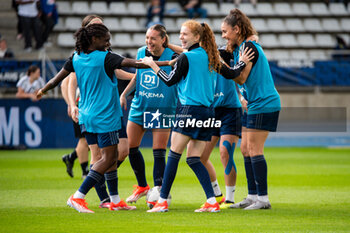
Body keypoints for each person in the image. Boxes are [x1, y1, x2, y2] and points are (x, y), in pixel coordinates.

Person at [37, 23, 170, 213]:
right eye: (105, 39)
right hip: (105, 116)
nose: (108, 43)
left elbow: (56, 80)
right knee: (108, 158)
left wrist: (42, 90)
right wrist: (162, 63)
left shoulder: (75, 57)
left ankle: (114, 200)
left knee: (107, 156)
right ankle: (78, 196)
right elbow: (134, 64)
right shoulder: (106, 58)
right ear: (93, 40)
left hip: (86, 116)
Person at [139, 20, 251, 213]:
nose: (181, 37)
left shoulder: (187, 58)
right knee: (193, 159)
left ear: (197, 37)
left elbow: (169, 81)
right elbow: (233, 73)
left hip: (189, 110)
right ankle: (211, 201)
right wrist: (242, 61)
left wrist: (151, 64)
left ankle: (162, 201)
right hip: (207, 112)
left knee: (174, 155)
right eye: (180, 34)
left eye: (185, 34)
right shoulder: (211, 56)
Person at [63, 14, 134, 208]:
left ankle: (114, 198)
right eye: (96, 26)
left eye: (101, 25)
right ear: (89, 33)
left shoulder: (104, 50)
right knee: (101, 156)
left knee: (121, 151)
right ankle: (103, 198)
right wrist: (71, 104)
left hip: (110, 109)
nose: (101, 28)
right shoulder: (80, 55)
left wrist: (136, 77)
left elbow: (115, 70)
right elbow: (69, 81)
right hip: (94, 111)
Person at [220, 9, 281, 210]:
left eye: (225, 31)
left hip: (264, 103)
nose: (223, 36)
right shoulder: (240, 47)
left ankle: (263, 199)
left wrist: (224, 67)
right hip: (254, 104)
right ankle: (252, 195)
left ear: (237, 29)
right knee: (245, 149)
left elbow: (241, 77)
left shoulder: (248, 47)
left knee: (254, 149)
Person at [119, 24, 178, 204]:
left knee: (158, 151)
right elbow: (138, 76)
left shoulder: (173, 57)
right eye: (147, 38)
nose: (149, 42)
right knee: (131, 148)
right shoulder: (140, 52)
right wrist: (123, 94)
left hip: (163, 108)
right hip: (139, 105)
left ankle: (159, 193)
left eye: (153, 38)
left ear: (163, 39)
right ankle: (143, 186)